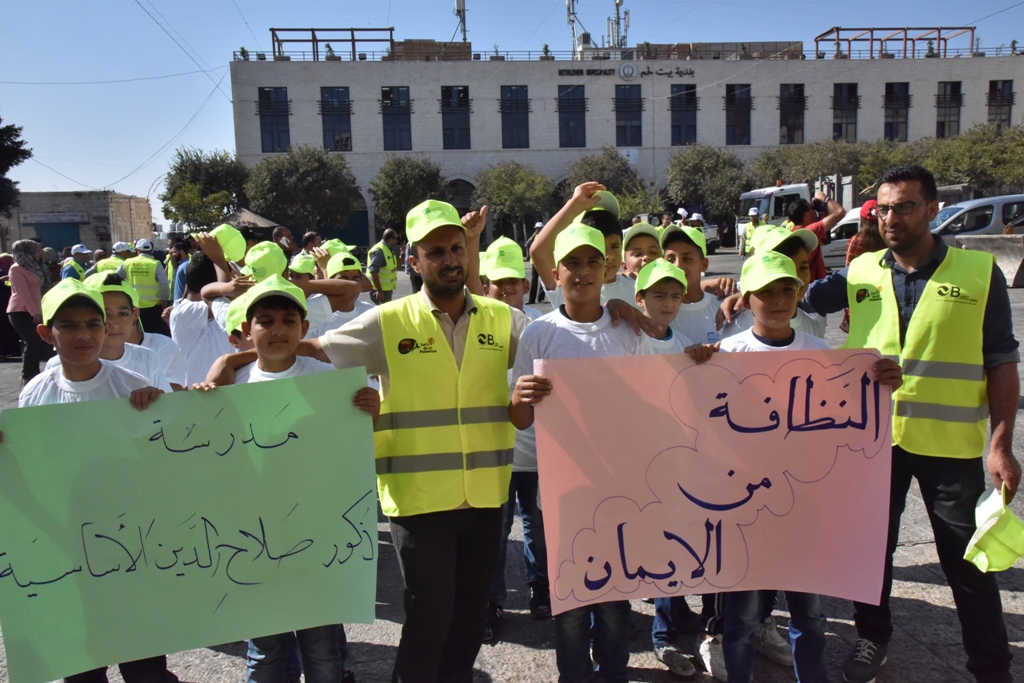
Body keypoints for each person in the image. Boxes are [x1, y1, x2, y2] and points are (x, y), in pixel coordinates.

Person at [802, 165, 1020, 683]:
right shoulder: (860, 271)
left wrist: (1002, 444)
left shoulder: (977, 273)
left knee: (967, 564)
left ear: (932, 210)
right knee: (871, 551)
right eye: (882, 208)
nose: (890, 217)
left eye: (903, 206)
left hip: (951, 445)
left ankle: (992, 668)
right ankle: (872, 638)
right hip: (874, 442)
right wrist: (732, 293)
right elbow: (794, 299)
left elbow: (1002, 363)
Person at [719, 251, 902, 683]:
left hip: (806, 513)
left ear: (801, 293)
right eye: (766, 292)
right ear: (746, 299)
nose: (779, 300)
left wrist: (883, 383)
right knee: (742, 619)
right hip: (747, 514)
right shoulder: (724, 355)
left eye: (788, 289)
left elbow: (851, 428)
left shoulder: (824, 355)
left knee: (811, 617)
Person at [509, 222, 653, 683]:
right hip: (559, 485)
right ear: (555, 274)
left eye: (593, 261)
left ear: (607, 270)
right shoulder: (539, 334)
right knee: (569, 596)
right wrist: (521, 397)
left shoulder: (628, 329)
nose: (583, 271)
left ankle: (612, 672)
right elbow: (518, 419)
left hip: (618, 484)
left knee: (614, 594)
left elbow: (658, 399)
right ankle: (573, 674)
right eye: (572, 262)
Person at [13, 277, 171, 683]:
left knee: (143, 662)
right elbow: (30, 466)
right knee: (82, 663)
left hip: (129, 546)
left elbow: (163, 465)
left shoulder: (132, 389)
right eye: (68, 325)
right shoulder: (35, 394)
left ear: (107, 328)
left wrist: (165, 412)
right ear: (47, 333)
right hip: (64, 543)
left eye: (92, 323)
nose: (83, 334)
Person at [229, 275, 376, 683]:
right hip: (252, 539)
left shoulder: (328, 377)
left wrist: (371, 409)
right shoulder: (230, 385)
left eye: (289, 321)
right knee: (265, 649)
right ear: (246, 331)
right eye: (266, 320)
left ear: (304, 329)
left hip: (318, 536)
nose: (278, 330)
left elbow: (357, 438)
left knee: (323, 648)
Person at [479, 236, 546, 644]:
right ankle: (492, 602)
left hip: (538, 453)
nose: (507, 290)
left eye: (515, 282)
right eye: (498, 283)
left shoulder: (542, 326)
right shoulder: (476, 326)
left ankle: (541, 588)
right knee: (495, 532)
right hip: (497, 454)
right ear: (485, 284)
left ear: (526, 285)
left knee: (538, 526)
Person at [46, 273, 171, 392]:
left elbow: (167, 406)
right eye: (104, 314)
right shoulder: (58, 365)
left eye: (123, 314)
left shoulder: (147, 358)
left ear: (134, 316)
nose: (114, 324)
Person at [721, 227, 825, 340]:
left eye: (804, 267)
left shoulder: (813, 328)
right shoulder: (738, 328)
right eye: (786, 268)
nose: (797, 277)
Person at [7, 239, 54, 382]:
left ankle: (36, 375)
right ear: (28, 252)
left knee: (38, 342)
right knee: (32, 342)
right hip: (20, 311)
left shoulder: (32, 267)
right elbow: (23, 293)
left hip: (34, 310)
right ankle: (27, 376)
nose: (40, 253)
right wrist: (35, 312)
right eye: (37, 251)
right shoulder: (16, 269)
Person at [839, 200, 886, 333]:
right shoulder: (889, 240)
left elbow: (849, 273)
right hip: (884, 295)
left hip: (861, 296)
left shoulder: (856, 241)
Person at [784, 191, 845, 283]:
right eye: (812, 208)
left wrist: (822, 213)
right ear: (807, 215)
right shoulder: (810, 231)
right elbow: (840, 212)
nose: (814, 210)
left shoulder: (795, 232)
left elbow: (824, 241)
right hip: (814, 287)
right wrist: (825, 199)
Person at [118, 238, 171, 336]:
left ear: (137, 250)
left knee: (136, 334)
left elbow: (116, 277)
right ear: (151, 251)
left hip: (134, 304)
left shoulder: (128, 263)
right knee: (153, 334)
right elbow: (164, 282)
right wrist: (164, 299)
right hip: (153, 306)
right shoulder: (155, 263)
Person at [367, 228, 400, 304]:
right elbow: (373, 271)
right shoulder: (379, 250)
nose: (397, 241)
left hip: (386, 289)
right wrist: (379, 290)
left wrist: (402, 254)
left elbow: (396, 266)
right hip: (381, 290)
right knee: (383, 313)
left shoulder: (388, 249)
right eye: (396, 238)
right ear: (391, 239)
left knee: (385, 313)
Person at [525, 222, 546, 305]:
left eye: (540, 228)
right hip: (534, 262)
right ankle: (531, 299)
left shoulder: (545, 236)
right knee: (534, 281)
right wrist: (533, 236)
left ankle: (541, 298)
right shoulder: (534, 237)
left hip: (543, 261)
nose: (538, 230)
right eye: (537, 228)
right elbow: (526, 245)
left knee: (543, 281)